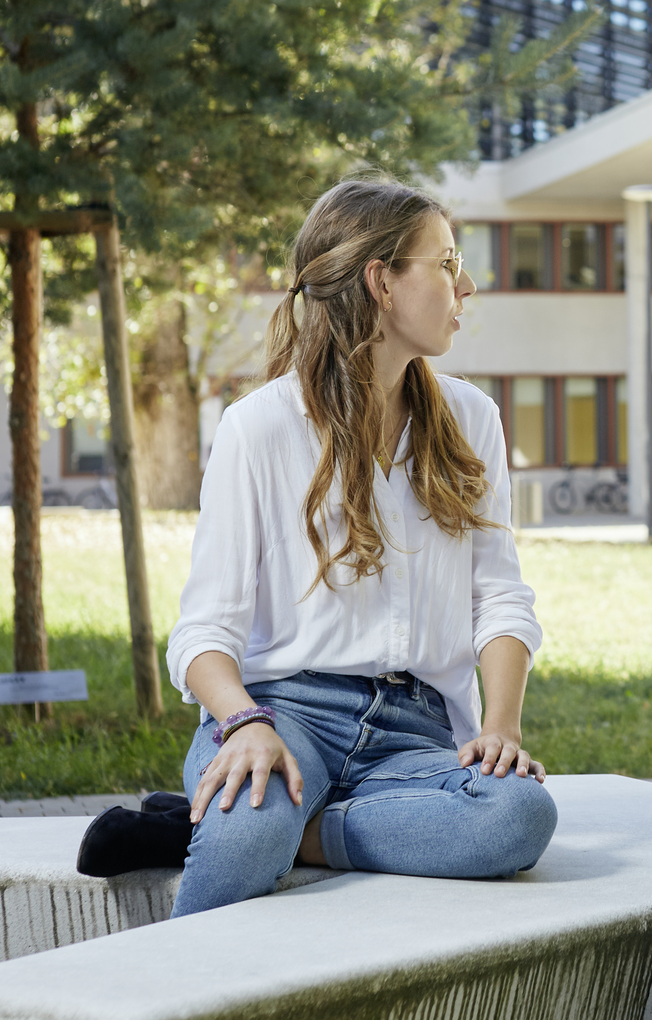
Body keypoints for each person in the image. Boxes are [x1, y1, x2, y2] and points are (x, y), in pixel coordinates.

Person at [136, 177, 555, 917]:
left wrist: (500, 727)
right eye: (446, 260)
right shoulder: (259, 427)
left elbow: (500, 598)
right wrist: (243, 723)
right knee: (243, 838)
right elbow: (203, 632)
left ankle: (303, 830)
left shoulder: (472, 418)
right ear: (381, 282)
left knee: (515, 815)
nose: (467, 283)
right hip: (283, 712)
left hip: (417, 732)